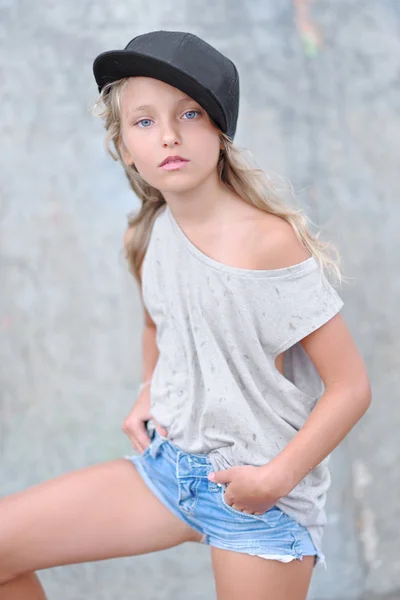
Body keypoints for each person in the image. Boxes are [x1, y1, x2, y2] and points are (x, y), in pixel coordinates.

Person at [0, 31, 371, 600]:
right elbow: (159, 322)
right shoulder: (147, 234)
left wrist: (275, 479)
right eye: (143, 122)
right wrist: (149, 388)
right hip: (168, 469)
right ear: (124, 146)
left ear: (220, 133)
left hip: (255, 492)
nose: (169, 135)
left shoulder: (268, 243)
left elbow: (350, 388)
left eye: (190, 113)